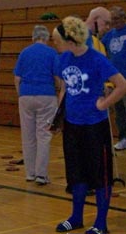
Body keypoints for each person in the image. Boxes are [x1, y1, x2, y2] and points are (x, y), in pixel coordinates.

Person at [54, 16, 126, 234]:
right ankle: (76, 217)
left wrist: (104, 103)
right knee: (76, 173)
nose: (55, 43)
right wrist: (59, 117)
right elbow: (65, 88)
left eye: (58, 39)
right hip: (72, 125)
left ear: (71, 40)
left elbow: (121, 85)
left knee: (100, 174)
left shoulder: (97, 59)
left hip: (95, 126)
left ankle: (101, 224)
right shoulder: (64, 59)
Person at [13, 25, 59, 185]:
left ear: (33, 37)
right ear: (47, 38)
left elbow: (17, 78)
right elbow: (58, 78)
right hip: (46, 94)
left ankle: (30, 173)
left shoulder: (24, 52)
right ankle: (41, 174)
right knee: (44, 135)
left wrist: (21, 94)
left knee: (28, 136)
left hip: (26, 95)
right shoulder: (52, 53)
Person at [102, 6, 126, 151]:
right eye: (112, 20)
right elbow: (100, 47)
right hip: (116, 80)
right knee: (119, 111)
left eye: (117, 19)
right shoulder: (109, 35)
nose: (115, 22)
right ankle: (123, 138)